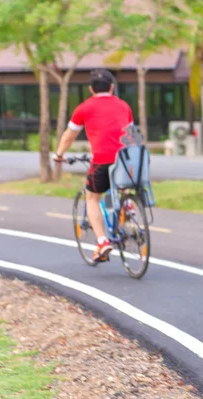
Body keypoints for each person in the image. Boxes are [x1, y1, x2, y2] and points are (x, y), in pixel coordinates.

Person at [53, 69, 135, 262]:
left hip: (102, 160)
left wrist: (59, 155)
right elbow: (130, 133)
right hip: (127, 159)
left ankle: (102, 241)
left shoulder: (83, 108)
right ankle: (128, 205)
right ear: (112, 87)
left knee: (92, 197)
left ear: (91, 89)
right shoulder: (124, 106)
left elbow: (69, 135)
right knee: (120, 186)